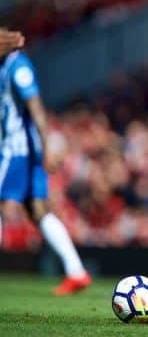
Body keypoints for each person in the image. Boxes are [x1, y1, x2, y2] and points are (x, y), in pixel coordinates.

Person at [0, 29, 91, 295]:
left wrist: (47, 145)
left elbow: (36, 107)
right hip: (20, 147)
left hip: (18, 148)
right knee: (37, 209)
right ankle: (76, 272)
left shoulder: (18, 66)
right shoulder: (5, 65)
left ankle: (76, 271)